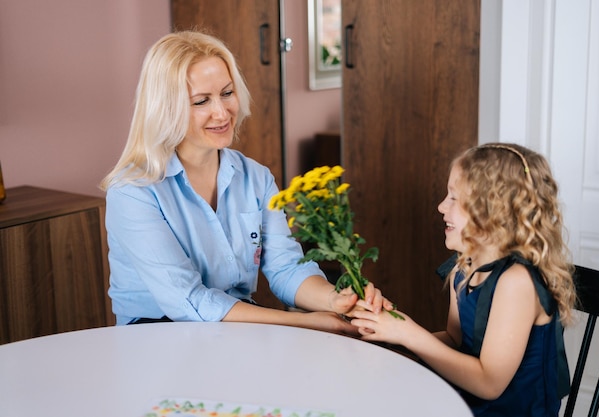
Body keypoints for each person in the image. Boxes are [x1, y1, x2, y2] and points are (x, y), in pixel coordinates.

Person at [100, 31, 392, 332]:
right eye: (201, 101)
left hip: (235, 330)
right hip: (156, 335)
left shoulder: (255, 177)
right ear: (166, 109)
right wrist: (304, 323)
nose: (222, 112)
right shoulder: (133, 191)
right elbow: (188, 301)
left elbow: (286, 268)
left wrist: (336, 300)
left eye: (227, 93)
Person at [352, 143, 577, 416]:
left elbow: (489, 383)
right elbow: (454, 340)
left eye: (454, 198)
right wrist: (392, 334)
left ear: (492, 210)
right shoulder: (465, 265)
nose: (441, 206)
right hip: (463, 405)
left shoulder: (517, 282)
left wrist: (410, 335)